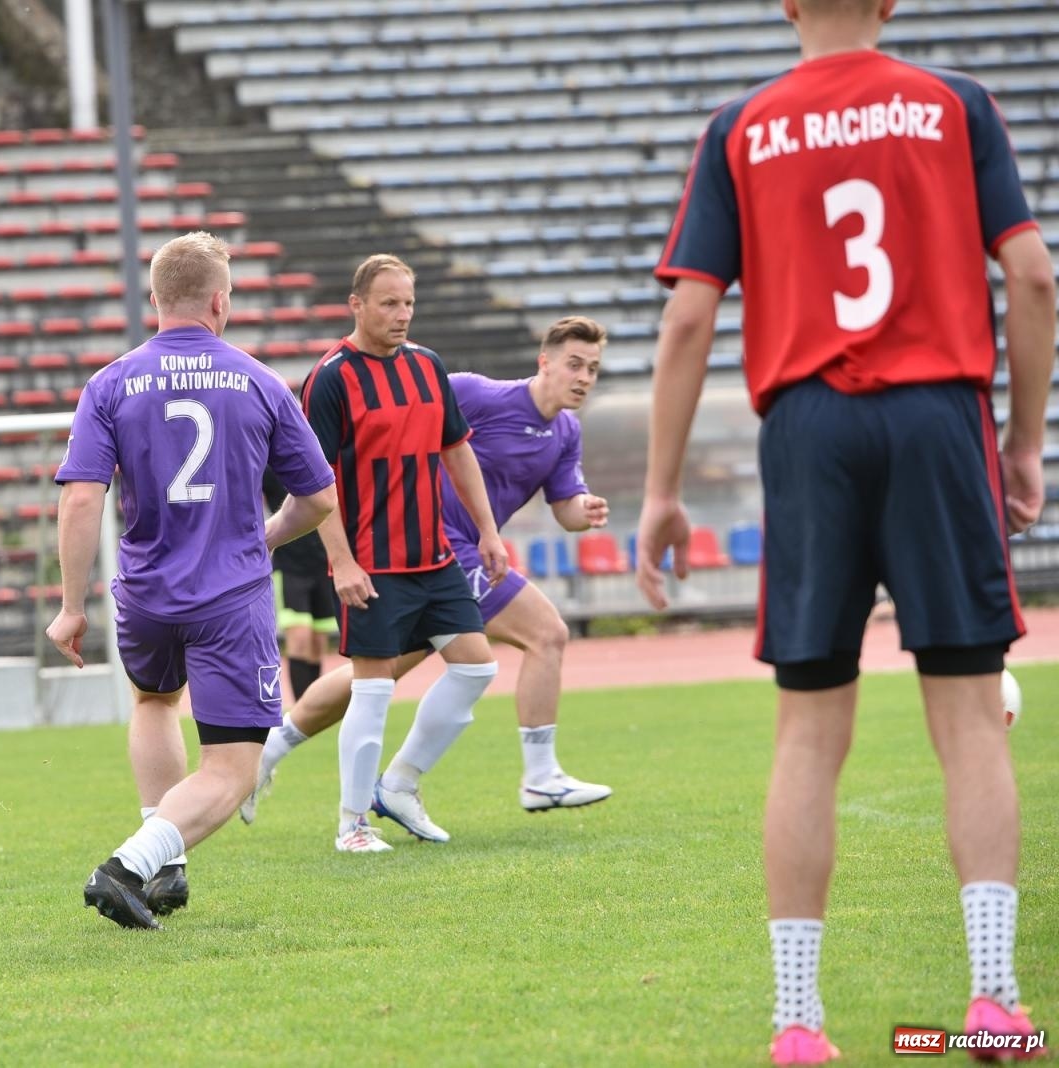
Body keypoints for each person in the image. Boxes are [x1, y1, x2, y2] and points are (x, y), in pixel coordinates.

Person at [635, 1, 1054, 1062]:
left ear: (785, 3)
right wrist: (1019, 440)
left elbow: (687, 317)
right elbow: (1034, 276)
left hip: (807, 427)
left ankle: (796, 1024)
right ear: (890, 1)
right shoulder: (955, 105)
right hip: (934, 415)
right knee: (966, 716)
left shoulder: (740, 126)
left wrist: (661, 488)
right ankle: (991, 1006)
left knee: (808, 730)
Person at [48, 231, 337, 929]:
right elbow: (320, 498)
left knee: (153, 700)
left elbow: (82, 497)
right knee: (234, 767)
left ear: (155, 300)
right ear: (220, 300)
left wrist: (68, 606)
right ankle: (129, 866)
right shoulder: (260, 380)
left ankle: (166, 864)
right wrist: (264, 536)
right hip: (227, 596)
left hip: (144, 592)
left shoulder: (110, 382)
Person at [243, 316, 617, 825]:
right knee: (546, 633)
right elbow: (418, 418)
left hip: (458, 554)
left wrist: (586, 510)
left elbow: (566, 507)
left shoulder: (565, 431)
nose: (584, 377)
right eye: (574, 364)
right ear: (544, 362)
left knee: (377, 674)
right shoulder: (478, 393)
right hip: (435, 544)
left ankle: (271, 755)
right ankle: (538, 776)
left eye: (593, 368)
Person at [289, 253, 508, 854]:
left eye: (408, 302)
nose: (402, 314)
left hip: (433, 556)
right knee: (374, 689)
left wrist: (488, 532)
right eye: (389, 302)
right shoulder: (331, 377)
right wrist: (342, 562)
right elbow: (316, 481)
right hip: (373, 561)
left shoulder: (427, 366)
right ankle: (351, 824)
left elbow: (457, 451)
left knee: (475, 666)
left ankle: (401, 784)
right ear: (356, 305)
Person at [262, 467, 339, 704]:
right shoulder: (269, 466)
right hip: (290, 565)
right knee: (299, 638)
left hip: (322, 563)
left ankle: (311, 713)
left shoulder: (318, 461)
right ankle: (300, 712)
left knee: (318, 642)